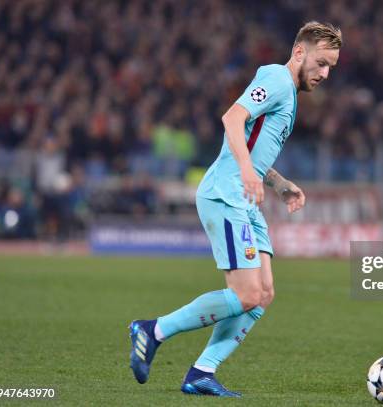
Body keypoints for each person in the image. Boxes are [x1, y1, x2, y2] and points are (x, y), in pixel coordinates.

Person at [128, 22, 342, 397]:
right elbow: (232, 118)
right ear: (299, 53)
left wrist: (279, 185)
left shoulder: (289, 94)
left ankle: (202, 372)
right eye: (321, 63)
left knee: (264, 293)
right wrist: (246, 172)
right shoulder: (276, 77)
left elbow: (252, 147)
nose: (324, 74)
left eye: (330, 68)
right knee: (245, 294)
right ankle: (153, 330)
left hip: (244, 199)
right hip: (226, 195)